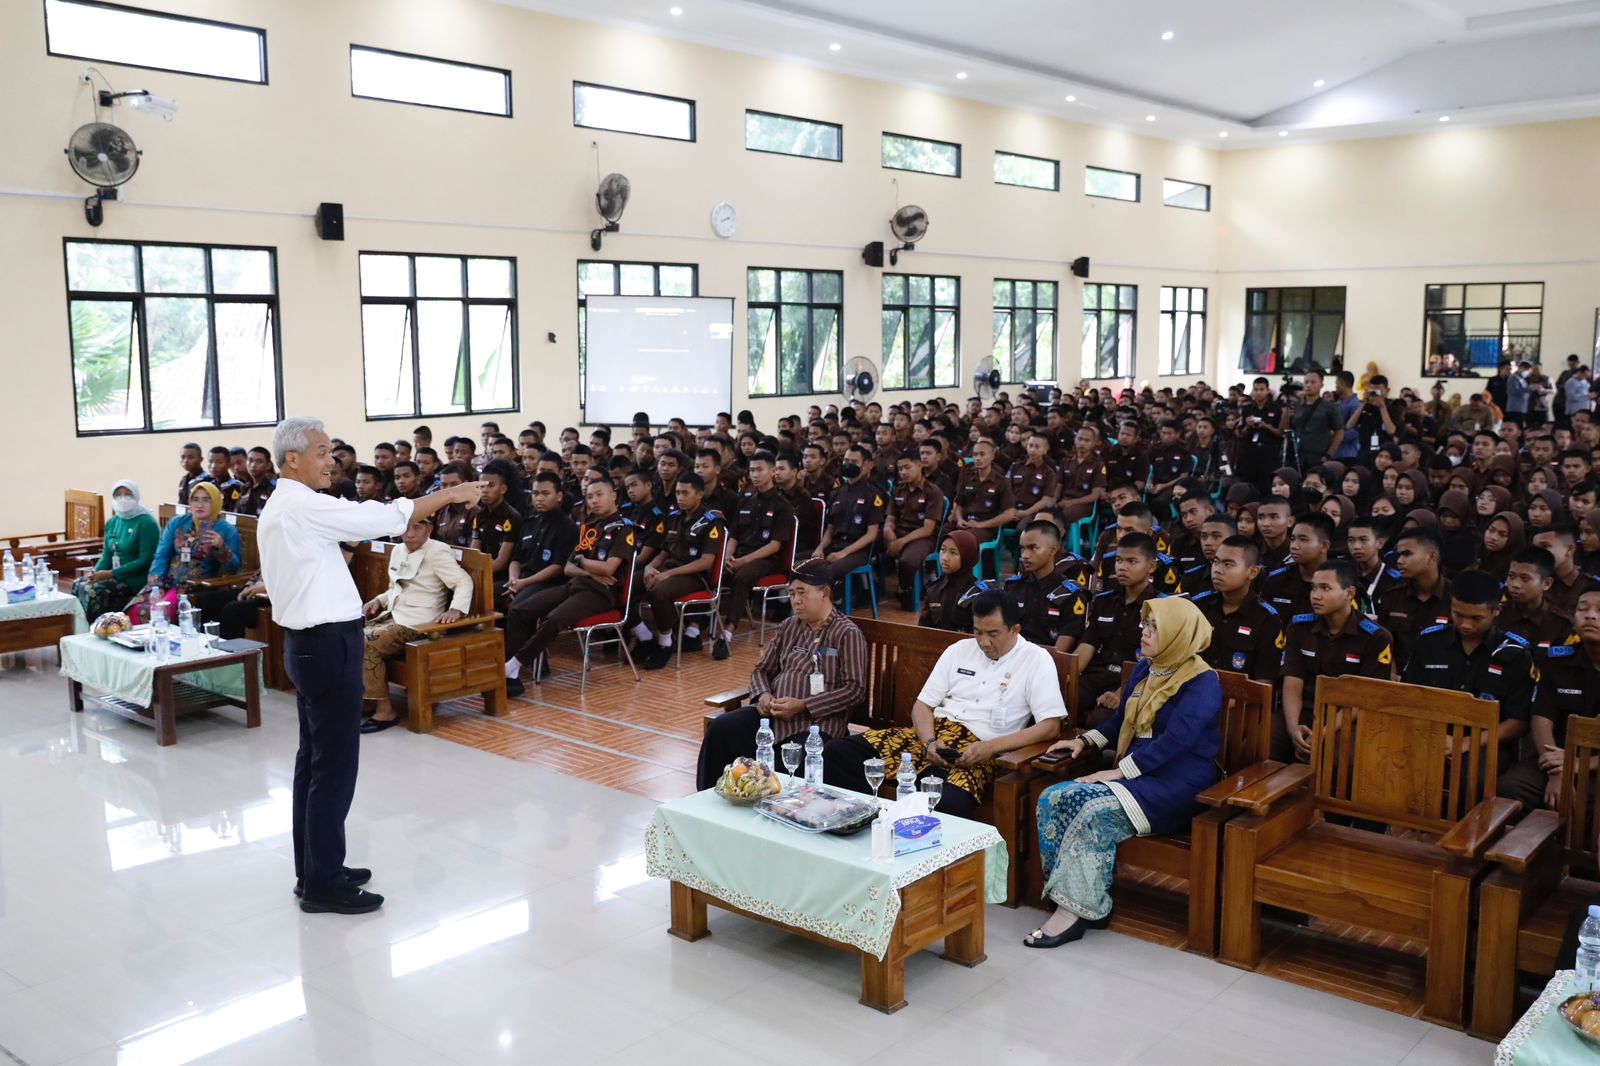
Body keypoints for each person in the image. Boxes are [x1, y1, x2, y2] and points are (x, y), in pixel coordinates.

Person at [257, 415, 484, 914]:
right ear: (292, 459)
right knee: (332, 769)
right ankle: (323, 886)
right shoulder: (304, 505)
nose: (331, 460)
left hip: (308, 643)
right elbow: (386, 518)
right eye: (321, 452)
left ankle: (316, 868)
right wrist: (447, 495)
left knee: (313, 763)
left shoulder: (285, 504)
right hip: (326, 645)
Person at [1026, 596, 1222, 948]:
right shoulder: (1149, 669)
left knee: (1090, 812)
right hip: (1139, 773)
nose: (1143, 633)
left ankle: (1076, 912)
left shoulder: (1202, 683)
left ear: (1178, 634)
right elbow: (1120, 722)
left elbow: (1177, 742)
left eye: (1154, 628)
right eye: (1145, 625)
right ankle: (1078, 900)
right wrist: (1083, 744)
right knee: (1052, 797)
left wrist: (1118, 773)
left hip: (1179, 782)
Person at [822, 590, 1066, 816]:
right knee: (837, 754)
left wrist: (991, 748)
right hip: (931, 738)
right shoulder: (959, 650)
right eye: (978, 632)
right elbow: (923, 706)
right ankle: (862, 819)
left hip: (980, 749)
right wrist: (928, 741)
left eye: (993, 634)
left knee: (947, 801)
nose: (983, 642)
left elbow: (1050, 726)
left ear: (1015, 629)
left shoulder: (1035, 659)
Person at [694, 559, 867, 790]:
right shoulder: (789, 626)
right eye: (792, 593)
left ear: (825, 593)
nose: (795, 600)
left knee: (792, 757)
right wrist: (763, 696)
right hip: (772, 718)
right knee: (722, 729)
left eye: (802, 593)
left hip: (816, 726)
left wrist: (804, 704)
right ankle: (708, 800)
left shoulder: (846, 633)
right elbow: (761, 670)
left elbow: (855, 690)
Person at [502, 477, 636, 697]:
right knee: (519, 611)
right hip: (576, 584)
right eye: (589, 496)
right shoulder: (589, 528)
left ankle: (512, 666)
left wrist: (582, 562)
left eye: (599, 495)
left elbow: (609, 569)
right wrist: (586, 568)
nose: (593, 500)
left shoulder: (624, 529)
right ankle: (514, 673)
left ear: (613, 496)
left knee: (553, 619)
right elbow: (568, 568)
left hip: (600, 594)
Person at [1401, 569, 1533, 772]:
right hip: (1428, 733)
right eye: (1458, 614)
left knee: (1471, 775)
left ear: (1496, 610)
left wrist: (1466, 743)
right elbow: (1408, 697)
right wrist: (1433, 737)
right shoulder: (1428, 643)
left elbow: (1518, 721)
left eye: (1476, 618)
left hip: (1485, 742)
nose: (1465, 624)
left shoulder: (1515, 654)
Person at [358, 514, 475, 733]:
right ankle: (368, 699)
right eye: (405, 528)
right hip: (395, 615)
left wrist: (456, 608)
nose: (410, 534)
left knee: (365, 642)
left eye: (417, 528)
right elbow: (396, 588)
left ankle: (385, 711)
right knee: (350, 635)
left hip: (420, 623)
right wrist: (378, 600)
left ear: (428, 530)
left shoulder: (437, 551)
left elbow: (463, 581)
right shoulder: (399, 550)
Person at [1278, 560, 1395, 763]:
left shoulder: (1376, 637)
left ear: (1349, 593)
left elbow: (1364, 698)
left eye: (1325, 588)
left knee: (1340, 755)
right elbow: (1292, 682)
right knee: (1269, 737)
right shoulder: (1299, 626)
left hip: (1346, 718)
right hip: (1304, 711)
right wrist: (1292, 726)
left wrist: (1321, 734)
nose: (1316, 595)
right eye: (1313, 588)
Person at [1498, 586, 1600, 813]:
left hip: (1594, 763)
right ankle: (1528, 847)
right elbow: (1542, 717)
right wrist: (1556, 768)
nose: (1591, 615)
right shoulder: (1557, 662)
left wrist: (1576, 766)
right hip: (1556, 754)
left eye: (1599, 611)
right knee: (1511, 787)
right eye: (1583, 609)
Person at [1075, 532, 1163, 724]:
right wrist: (1065, 678)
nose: (1122, 567)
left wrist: (1123, 691)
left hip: (1136, 682)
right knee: (1057, 703)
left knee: (1099, 720)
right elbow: (1087, 646)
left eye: (1132, 561)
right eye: (1119, 560)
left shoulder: (1161, 607)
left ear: (1151, 567)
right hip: (1098, 675)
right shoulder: (1104, 601)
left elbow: (1158, 662)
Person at [637, 473, 723, 669]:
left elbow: (706, 561)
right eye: (677, 493)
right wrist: (651, 566)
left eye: (685, 493)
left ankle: (665, 642)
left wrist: (667, 574)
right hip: (670, 569)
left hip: (694, 576)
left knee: (658, 592)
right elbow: (665, 551)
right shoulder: (674, 517)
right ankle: (644, 637)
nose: (680, 497)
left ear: (700, 494)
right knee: (627, 584)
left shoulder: (711, 521)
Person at [714, 451, 793, 660]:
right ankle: (693, 628)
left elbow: (775, 545)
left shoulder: (782, 506)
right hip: (740, 556)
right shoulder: (745, 501)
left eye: (760, 470)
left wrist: (743, 561)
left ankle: (727, 632)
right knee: (712, 569)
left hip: (767, 560)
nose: (755, 475)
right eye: (751, 470)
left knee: (742, 577)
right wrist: (728, 557)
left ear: (772, 471)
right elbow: (733, 536)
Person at [138, 481, 243, 622]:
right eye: (195, 499)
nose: (199, 505)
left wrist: (221, 547)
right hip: (167, 581)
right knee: (136, 609)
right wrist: (156, 585)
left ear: (216, 502)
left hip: (197, 587)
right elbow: (161, 555)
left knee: (157, 612)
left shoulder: (226, 530)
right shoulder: (178, 523)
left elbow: (234, 568)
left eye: (206, 500)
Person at [1191, 535, 1283, 683]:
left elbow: (1264, 682)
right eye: (1216, 562)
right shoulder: (1198, 606)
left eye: (1228, 564)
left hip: (1240, 701)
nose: (1217, 570)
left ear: (1253, 572)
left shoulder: (1267, 619)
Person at [73, 479, 160, 620]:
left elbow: (145, 560)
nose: (123, 498)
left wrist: (111, 573)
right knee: (79, 584)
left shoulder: (146, 523)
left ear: (136, 497)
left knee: (95, 590)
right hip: (112, 575)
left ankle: (101, 628)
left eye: (128, 494)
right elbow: (107, 555)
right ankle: (81, 630)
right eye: (118, 494)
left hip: (135, 578)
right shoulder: (113, 522)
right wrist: (95, 573)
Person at [501, 471, 578, 616]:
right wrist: (513, 580)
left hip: (548, 583)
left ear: (559, 496)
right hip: (521, 579)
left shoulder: (567, 527)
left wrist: (524, 583)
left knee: (517, 609)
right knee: (488, 597)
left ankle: (519, 640)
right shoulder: (529, 523)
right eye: (535, 493)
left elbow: (557, 567)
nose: (539, 498)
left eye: (545, 493)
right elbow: (516, 559)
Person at [1375, 528, 1453, 665]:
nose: (1399, 561)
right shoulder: (1392, 597)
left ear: (1432, 557)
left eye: (1407, 554)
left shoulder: (1455, 598)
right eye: (1399, 555)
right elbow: (1381, 643)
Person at [811, 446, 883, 584]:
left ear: (867, 465)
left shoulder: (872, 494)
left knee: (829, 570)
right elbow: (830, 529)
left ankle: (836, 601)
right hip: (835, 545)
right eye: (846, 460)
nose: (849, 465)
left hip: (859, 551)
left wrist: (844, 553)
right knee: (799, 563)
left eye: (854, 462)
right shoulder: (836, 492)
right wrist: (819, 549)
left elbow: (872, 534)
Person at [883, 451, 944, 605]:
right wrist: (888, 529)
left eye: (907, 467)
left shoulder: (932, 491)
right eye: (900, 469)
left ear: (919, 465)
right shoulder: (898, 489)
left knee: (909, 560)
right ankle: (866, 588)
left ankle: (904, 588)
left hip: (923, 537)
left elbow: (928, 529)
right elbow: (891, 517)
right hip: (899, 532)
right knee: (868, 544)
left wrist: (901, 542)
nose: (903, 472)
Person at [1502, 546, 1574, 648]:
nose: (1515, 584)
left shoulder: (1562, 625)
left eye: (1525, 578)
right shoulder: (1496, 614)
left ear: (1546, 583)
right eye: (1511, 576)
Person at [920, 531, 979, 632]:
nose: (944, 558)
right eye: (943, 550)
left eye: (953, 552)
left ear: (967, 556)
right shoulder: (934, 590)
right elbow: (922, 632)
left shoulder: (977, 594)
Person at [1290, 368, 1345, 470]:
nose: (1309, 385)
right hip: (1297, 455)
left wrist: (1328, 455)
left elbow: (1339, 432)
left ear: (1321, 385)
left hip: (1318, 456)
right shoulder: (1296, 405)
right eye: (1306, 382)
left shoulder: (1329, 407)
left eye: (1313, 382)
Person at [237, 447, 278, 517]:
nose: (253, 465)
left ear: (268, 465)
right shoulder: (244, 487)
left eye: (259, 461)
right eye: (250, 460)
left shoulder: (274, 489)